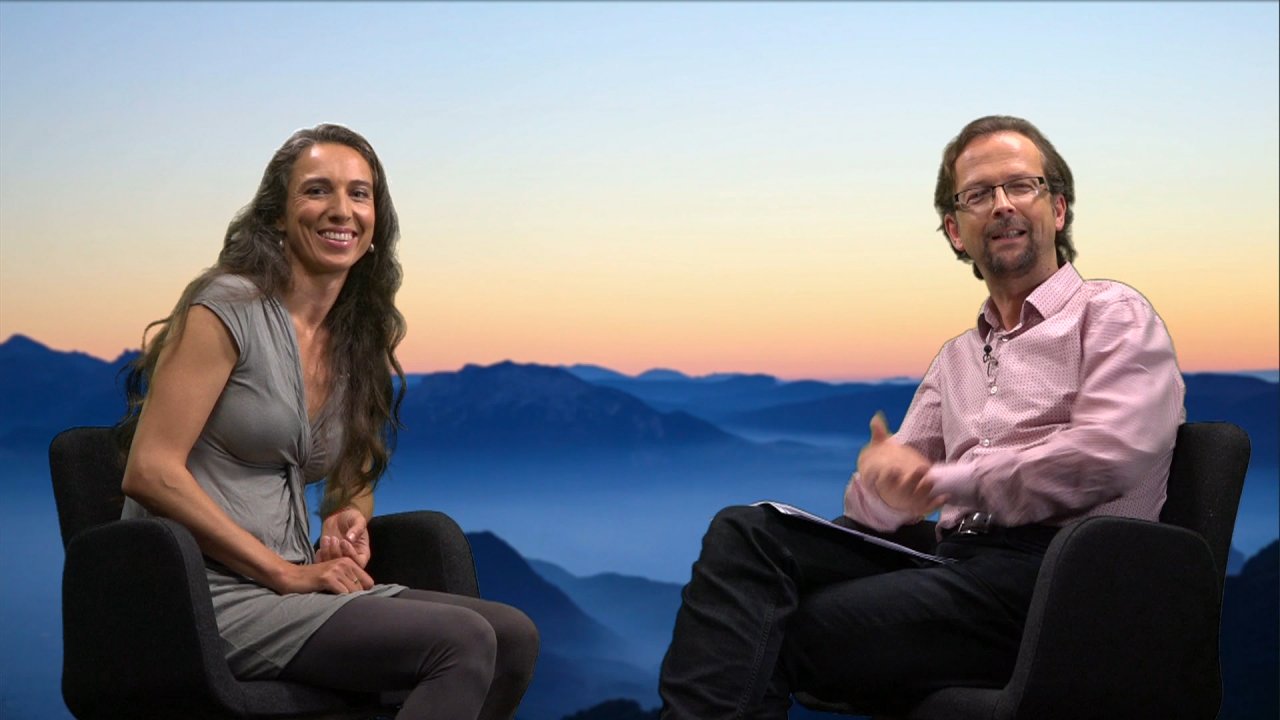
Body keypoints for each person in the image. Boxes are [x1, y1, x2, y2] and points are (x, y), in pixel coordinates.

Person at [657, 115, 1186, 718]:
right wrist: (883, 485)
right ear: (955, 231)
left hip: (1062, 581)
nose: (1003, 205)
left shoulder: (1113, 313)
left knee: (766, 634)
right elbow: (892, 505)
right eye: (979, 195)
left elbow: (1109, 453)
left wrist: (946, 482)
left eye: (1022, 186)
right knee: (745, 531)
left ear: (1058, 210)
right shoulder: (956, 357)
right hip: (955, 562)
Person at [117, 123, 539, 720]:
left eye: (359, 194)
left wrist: (347, 516)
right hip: (202, 593)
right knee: (461, 644)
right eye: (317, 191)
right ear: (277, 218)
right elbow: (150, 472)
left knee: (514, 638)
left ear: (375, 227)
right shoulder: (225, 309)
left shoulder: (354, 338)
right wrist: (283, 574)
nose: (341, 209)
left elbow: (352, 471)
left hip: (291, 581)